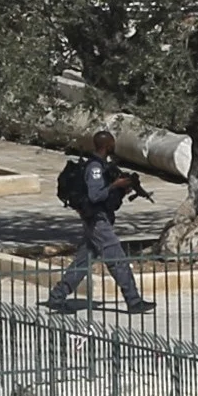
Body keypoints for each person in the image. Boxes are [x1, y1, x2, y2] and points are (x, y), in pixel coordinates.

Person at [49, 130, 157, 315]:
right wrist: (116, 185)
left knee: (83, 261)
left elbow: (107, 194)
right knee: (118, 260)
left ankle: (57, 297)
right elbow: (95, 195)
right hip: (97, 221)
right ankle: (134, 300)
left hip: (99, 219)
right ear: (107, 145)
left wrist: (123, 189)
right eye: (112, 142)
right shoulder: (95, 168)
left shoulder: (104, 166)